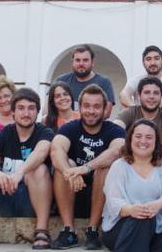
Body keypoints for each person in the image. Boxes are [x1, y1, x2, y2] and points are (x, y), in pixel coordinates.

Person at [0, 88, 54, 250]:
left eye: (31, 108)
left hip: (31, 200)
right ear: (13, 112)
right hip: (4, 197)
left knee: (38, 169)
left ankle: (42, 231)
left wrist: (20, 172)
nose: (26, 113)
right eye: (21, 108)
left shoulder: (45, 132)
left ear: (37, 112)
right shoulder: (6, 132)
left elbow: (41, 152)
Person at [101, 119, 162, 252]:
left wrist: (156, 205)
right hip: (122, 226)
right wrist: (131, 210)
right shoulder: (119, 166)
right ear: (130, 139)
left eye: (149, 137)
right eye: (138, 136)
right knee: (142, 219)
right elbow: (113, 201)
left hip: (158, 223)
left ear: (156, 141)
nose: (143, 141)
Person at [51, 85, 127, 249]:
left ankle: (92, 230)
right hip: (70, 191)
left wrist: (85, 168)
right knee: (64, 164)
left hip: (102, 196)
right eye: (87, 106)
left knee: (106, 168)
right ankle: (68, 231)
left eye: (96, 106)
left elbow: (115, 151)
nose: (91, 111)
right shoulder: (69, 127)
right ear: (80, 106)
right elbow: (56, 149)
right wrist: (69, 172)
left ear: (105, 108)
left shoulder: (115, 130)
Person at [115, 76, 162, 156]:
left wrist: (156, 148)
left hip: (159, 159)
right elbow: (114, 129)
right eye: (147, 92)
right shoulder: (129, 112)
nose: (151, 97)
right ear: (139, 95)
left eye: (156, 93)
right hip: (132, 158)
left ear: (161, 96)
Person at [55, 45, 116, 119]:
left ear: (92, 62)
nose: (81, 64)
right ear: (73, 62)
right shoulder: (61, 80)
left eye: (85, 60)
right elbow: (47, 110)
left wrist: (77, 118)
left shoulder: (104, 82)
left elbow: (106, 113)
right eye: (77, 60)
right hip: (64, 127)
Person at [120, 45, 162, 111]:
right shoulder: (136, 80)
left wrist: (150, 111)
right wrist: (137, 110)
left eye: (156, 58)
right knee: (124, 107)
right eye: (148, 59)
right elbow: (124, 94)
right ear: (143, 63)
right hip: (140, 118)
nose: (152, 63)